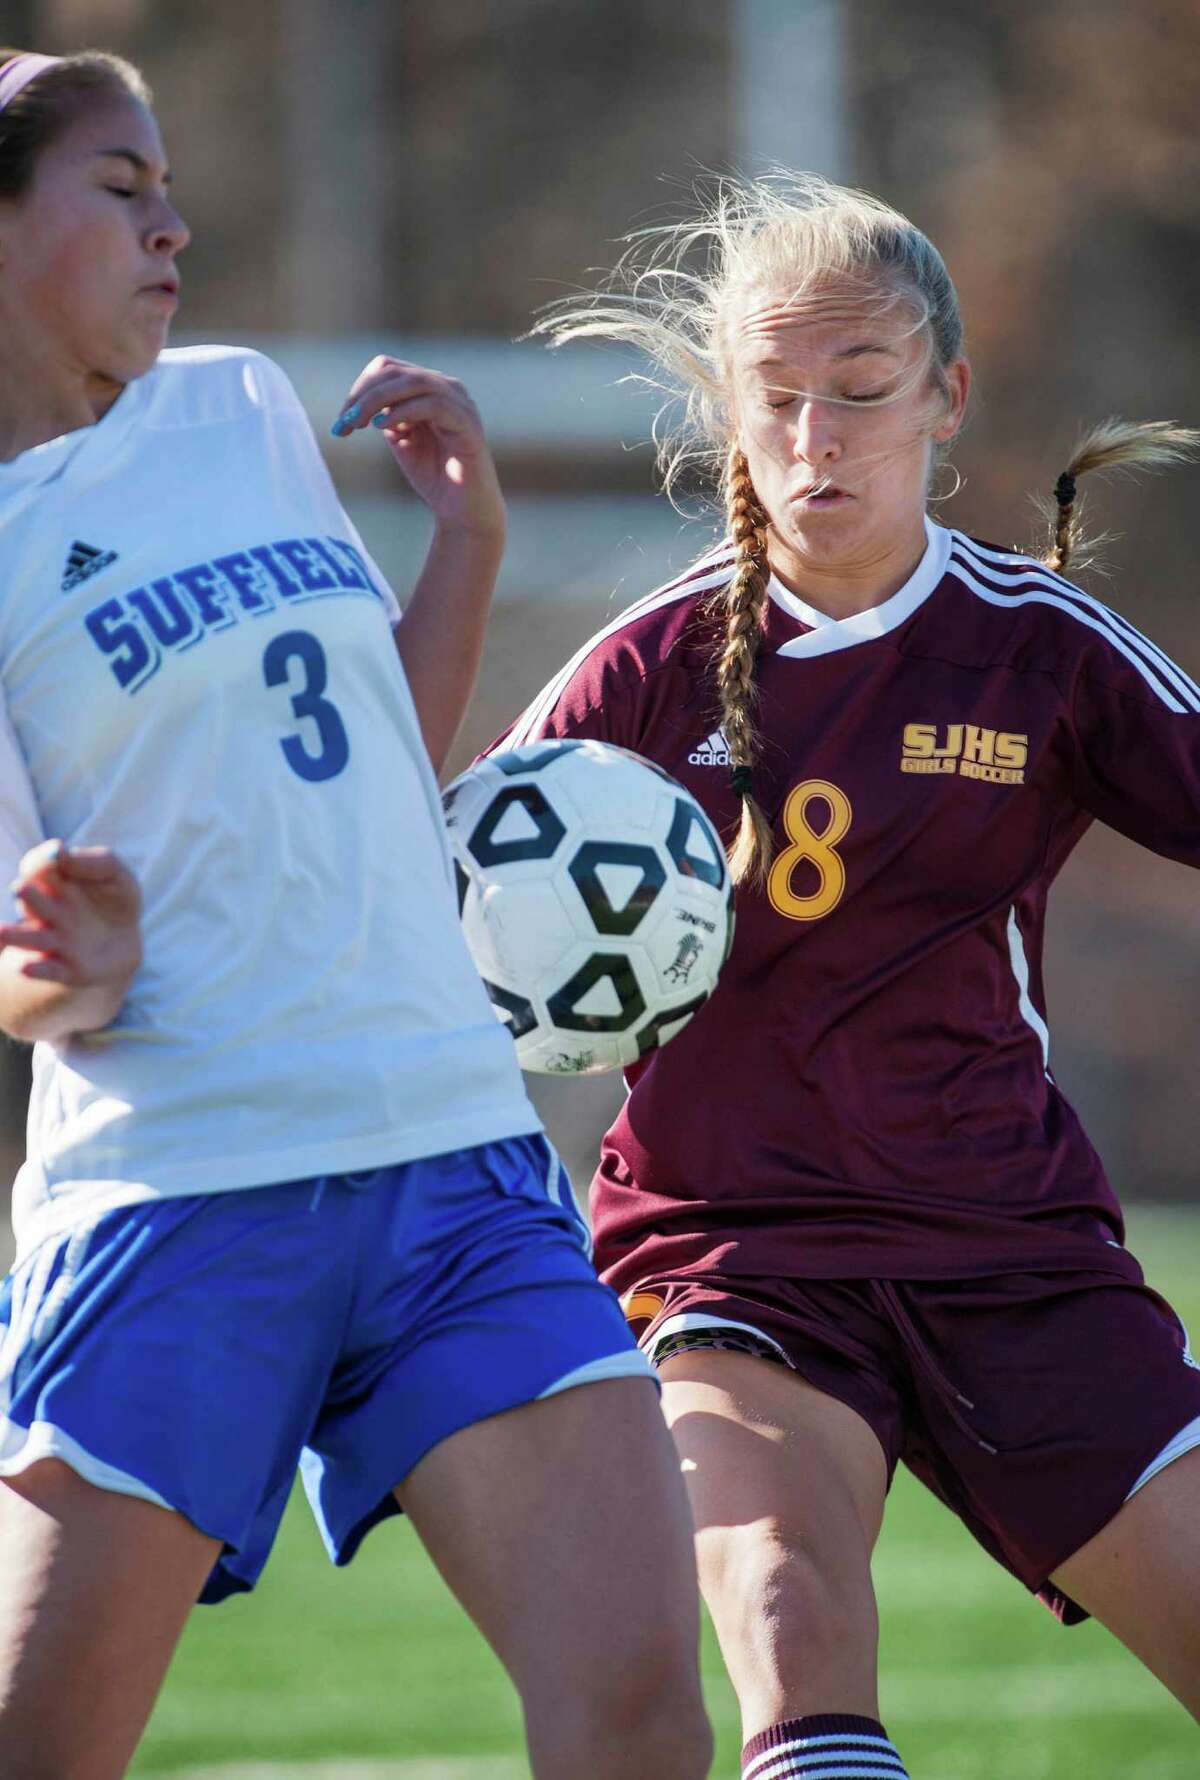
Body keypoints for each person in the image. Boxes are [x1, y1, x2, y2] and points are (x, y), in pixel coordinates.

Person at [0, 48, 712, 1780]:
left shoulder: (239, 404)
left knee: (637, 1718)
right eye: (120, 187)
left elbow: (377, 758)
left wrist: (464, 546)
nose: (175, 223)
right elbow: (24, 960)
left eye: (169, 182)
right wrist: (61, 967)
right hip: (181, 1192)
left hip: (451, 1154)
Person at [493, 172, 1200, 1778]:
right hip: (735, 1261)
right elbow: (450, 906)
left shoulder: (1044, 652)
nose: (818, 439)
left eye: (864, 393)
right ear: (727, 414)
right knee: (794, 1625)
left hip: (1012, 1250)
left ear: (948, 396)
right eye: (779, 400)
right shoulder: (637, 674)